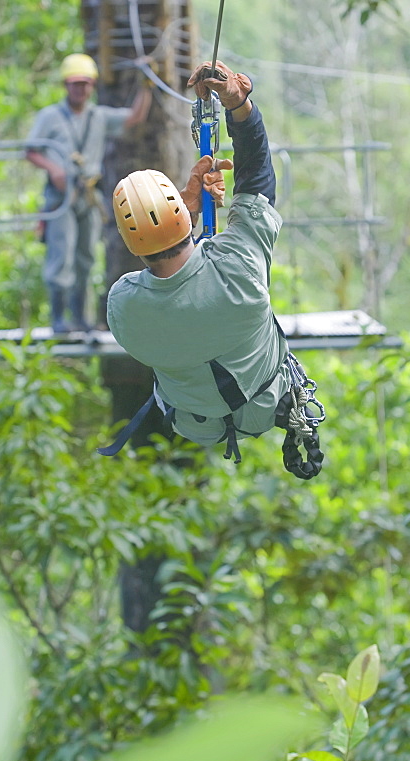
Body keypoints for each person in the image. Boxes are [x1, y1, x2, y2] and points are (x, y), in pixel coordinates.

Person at [102, 59, 324, 479]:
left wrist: (186, 217)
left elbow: (173, 286)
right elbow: (257, 180)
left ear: (132, 244)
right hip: (265, 402)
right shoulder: (240, 272)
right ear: (183, 220)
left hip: (193, 422)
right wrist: (239, 106)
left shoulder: (123, 308)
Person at [26, 54, 151, 332]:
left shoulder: (98, 116)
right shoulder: (51, 117)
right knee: (62, 254)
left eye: (84, 84)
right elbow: (31, 151)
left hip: (89, 196)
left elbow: (134, 117)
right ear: (65, 85)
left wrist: (146, 83)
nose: (79, 89)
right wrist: (53, 168)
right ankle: (59, 319)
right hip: (62, 196)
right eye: (74, 84)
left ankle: (80, 318)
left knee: (86, 257)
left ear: (92, 85)